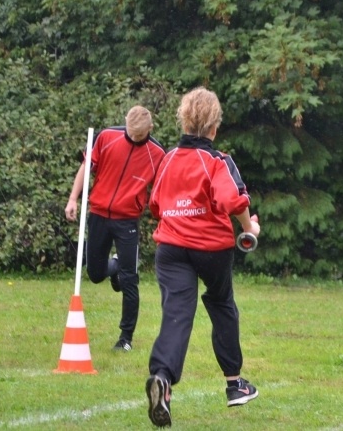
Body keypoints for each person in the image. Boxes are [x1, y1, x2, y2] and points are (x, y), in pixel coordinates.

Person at [145, 87, 261, 428]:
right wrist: (249, 228)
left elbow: (154, 205)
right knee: (221, 303)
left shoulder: (167, 159)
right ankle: (234, 384)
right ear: (214, 126)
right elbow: (235, 201)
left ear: (184, 119)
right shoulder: (217, 160)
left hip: (170, 248)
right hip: (210, 249)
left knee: (176, 314)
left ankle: (162, 379)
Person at [65, 106, 165, 352]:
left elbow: (162, 191)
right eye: (131, 133)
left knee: (130, 280)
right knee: (96, 273)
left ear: (150, 130)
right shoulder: (107, 137)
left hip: (127, 221)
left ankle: (126, 338)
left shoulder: (158, 154)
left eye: (140, 136)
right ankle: (116, 266)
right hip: (98, 214)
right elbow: (86, 169)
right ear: (125, 124)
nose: (134, 138)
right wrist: (73, 199)